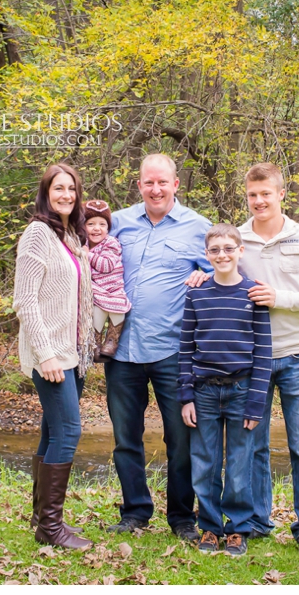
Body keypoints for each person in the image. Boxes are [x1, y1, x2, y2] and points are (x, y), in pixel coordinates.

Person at [104, 153, 213, 541]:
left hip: (174, 352)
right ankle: (134, 512)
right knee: (125, 438)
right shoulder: (117, 223)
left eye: (162, 182)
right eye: (148, 182)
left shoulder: (199, 228)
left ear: (176, 184)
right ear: (139, 185)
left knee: (181, 440)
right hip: (121, 352)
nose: (155, 189)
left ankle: (182, 517)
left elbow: (226, 272)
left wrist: (206, 275)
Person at [238, 162, 299, 558]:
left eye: (266, 193)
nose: (259, 201)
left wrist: (281, 298)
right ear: (246, 197)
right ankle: (258, 522)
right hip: (251, 358)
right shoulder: (237, 238)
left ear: (281, 194)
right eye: (252, 194)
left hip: (297, 354)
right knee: (253, 445)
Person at [13, 163, 96, 550]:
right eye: (58, 188)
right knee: (69, 431)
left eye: (72, 189)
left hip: (73, 353)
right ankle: (50, 527)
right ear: (45, 192)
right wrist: (45, 355)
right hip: (51, 354)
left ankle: (39, 515)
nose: (66, 195)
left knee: (52, 430)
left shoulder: (72, 237)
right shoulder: (37, 234)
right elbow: (25, 301)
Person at [178, 224, 272, 557]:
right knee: (204, 462)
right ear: (206, 255)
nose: (222, 255)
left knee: (238, 464)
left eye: (228, 248)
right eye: (215, 250)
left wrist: (256, 402)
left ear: (240, 251)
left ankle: (238, 528)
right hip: (204, 391)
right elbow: (186, 348)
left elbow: (263, 352)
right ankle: (209, 528)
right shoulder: (197, 294)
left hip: (242, 390)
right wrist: (186, 396)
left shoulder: (253, 294)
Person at [82, 200, 131, 362]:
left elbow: (107, 265)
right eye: (91, 224)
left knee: (118, 310)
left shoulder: (111, 243)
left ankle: (111, 340)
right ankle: (95, 343)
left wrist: (87, 255)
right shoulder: (83, 244)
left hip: (113, 288)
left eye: (102, 224)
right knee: (97, 313)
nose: (97, 228)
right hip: (96, 290)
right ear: (83, 226)